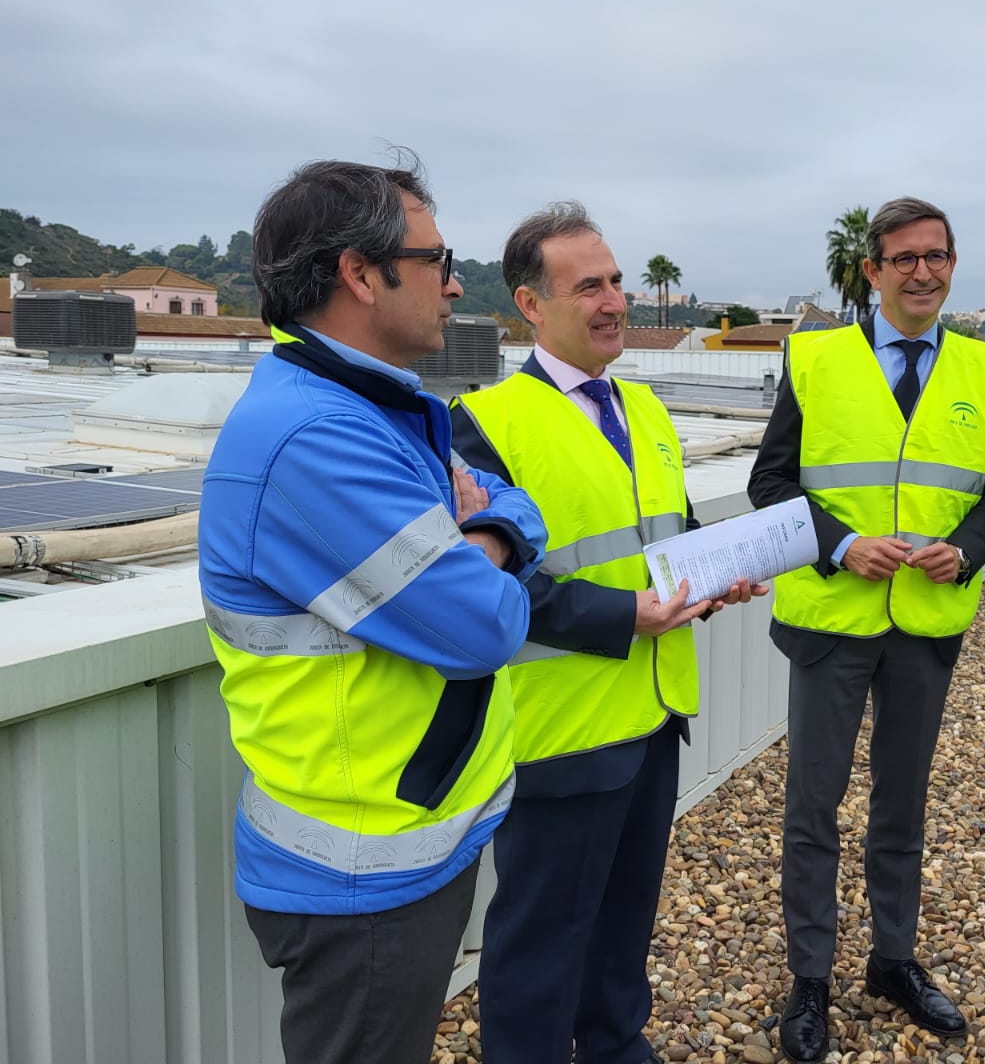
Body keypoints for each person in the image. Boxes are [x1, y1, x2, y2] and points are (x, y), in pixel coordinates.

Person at [198, 157, 549, 1064]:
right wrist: (497, 538)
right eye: (438, 259)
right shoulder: (317, 437)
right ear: (362, 272)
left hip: (406, 840)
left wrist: (492, 527)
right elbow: (485, 626)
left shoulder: (373, 410)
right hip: (358, 874)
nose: (456, 282)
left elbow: (510, 500)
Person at [450, 202, 762, 1064]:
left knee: (626, 919)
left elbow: (672, 544)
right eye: (588, 285)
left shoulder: (648, 412)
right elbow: (494, 586)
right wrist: (628, 616)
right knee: (540, 938)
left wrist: (717, 578)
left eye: (616, 280)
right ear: (529, 304)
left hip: (655, 714)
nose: (613, 299)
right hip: (563, 728)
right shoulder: (483, 423)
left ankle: (619, 1043)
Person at [748, 197, 985, 1060]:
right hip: (834, 620)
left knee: (902, 808)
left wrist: (966, 552)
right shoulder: (816, 358)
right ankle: (811, 979)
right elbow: (770, 484)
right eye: (903, 259)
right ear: (872, 272)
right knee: (814, 808)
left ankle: (893, 961)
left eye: (937, 256)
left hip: (925, 626)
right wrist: (839, 544)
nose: (923, 272)